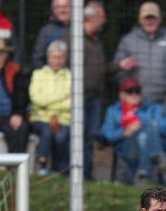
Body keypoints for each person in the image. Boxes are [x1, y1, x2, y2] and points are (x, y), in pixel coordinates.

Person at [59, 2, 107, 181]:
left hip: (93, 98)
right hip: (75, 98)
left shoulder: (96, 40)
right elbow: (60, 64)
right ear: (92, 18)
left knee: (89, 137)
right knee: (73, 136)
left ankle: (86, 173)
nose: (104, 21)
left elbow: (99, 68)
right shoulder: (72, 38)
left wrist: (118, 66)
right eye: (102, 17)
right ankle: (68, 172)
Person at [99, 76, 166, 184]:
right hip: (126, 146)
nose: (134, 94)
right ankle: (159, 160)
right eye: (129, 91)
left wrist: (141, 123)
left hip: (149, 144)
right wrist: (124, 132)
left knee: (146, 132)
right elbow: (105, 134)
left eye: (137, 91)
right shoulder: (113, 111)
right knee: (145, 133)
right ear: (121, 95)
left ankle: (143, 172)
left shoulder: (153, 108)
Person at [113, 2, 166, 110]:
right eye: (146, 18)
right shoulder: (127, 41)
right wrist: (129, 93)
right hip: (134, 103)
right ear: (140, 20)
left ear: (160, 20)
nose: (150, 21)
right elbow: (118, 69)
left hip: (164, 103)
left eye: (153, 18)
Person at [29, 40, 70, 175]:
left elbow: (71, 103)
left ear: (65, 58)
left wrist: (48, 102)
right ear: (48, 58)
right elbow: (36, 99)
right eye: (54, 57)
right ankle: (42, 165)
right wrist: (61, 97)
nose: (57, 60)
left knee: (61, 137)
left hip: (63, 118)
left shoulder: (71, 76)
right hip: (40, 117)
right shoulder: (38, 74)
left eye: (60, 57)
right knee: (46, 131)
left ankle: (59, 169)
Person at [31, 0, 69, 69]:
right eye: (58, 7)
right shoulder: (46, 31)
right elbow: (37, 59)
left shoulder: (80, 29)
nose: (62, 10)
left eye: (65, 6)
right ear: (53, 10)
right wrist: (48, 75)